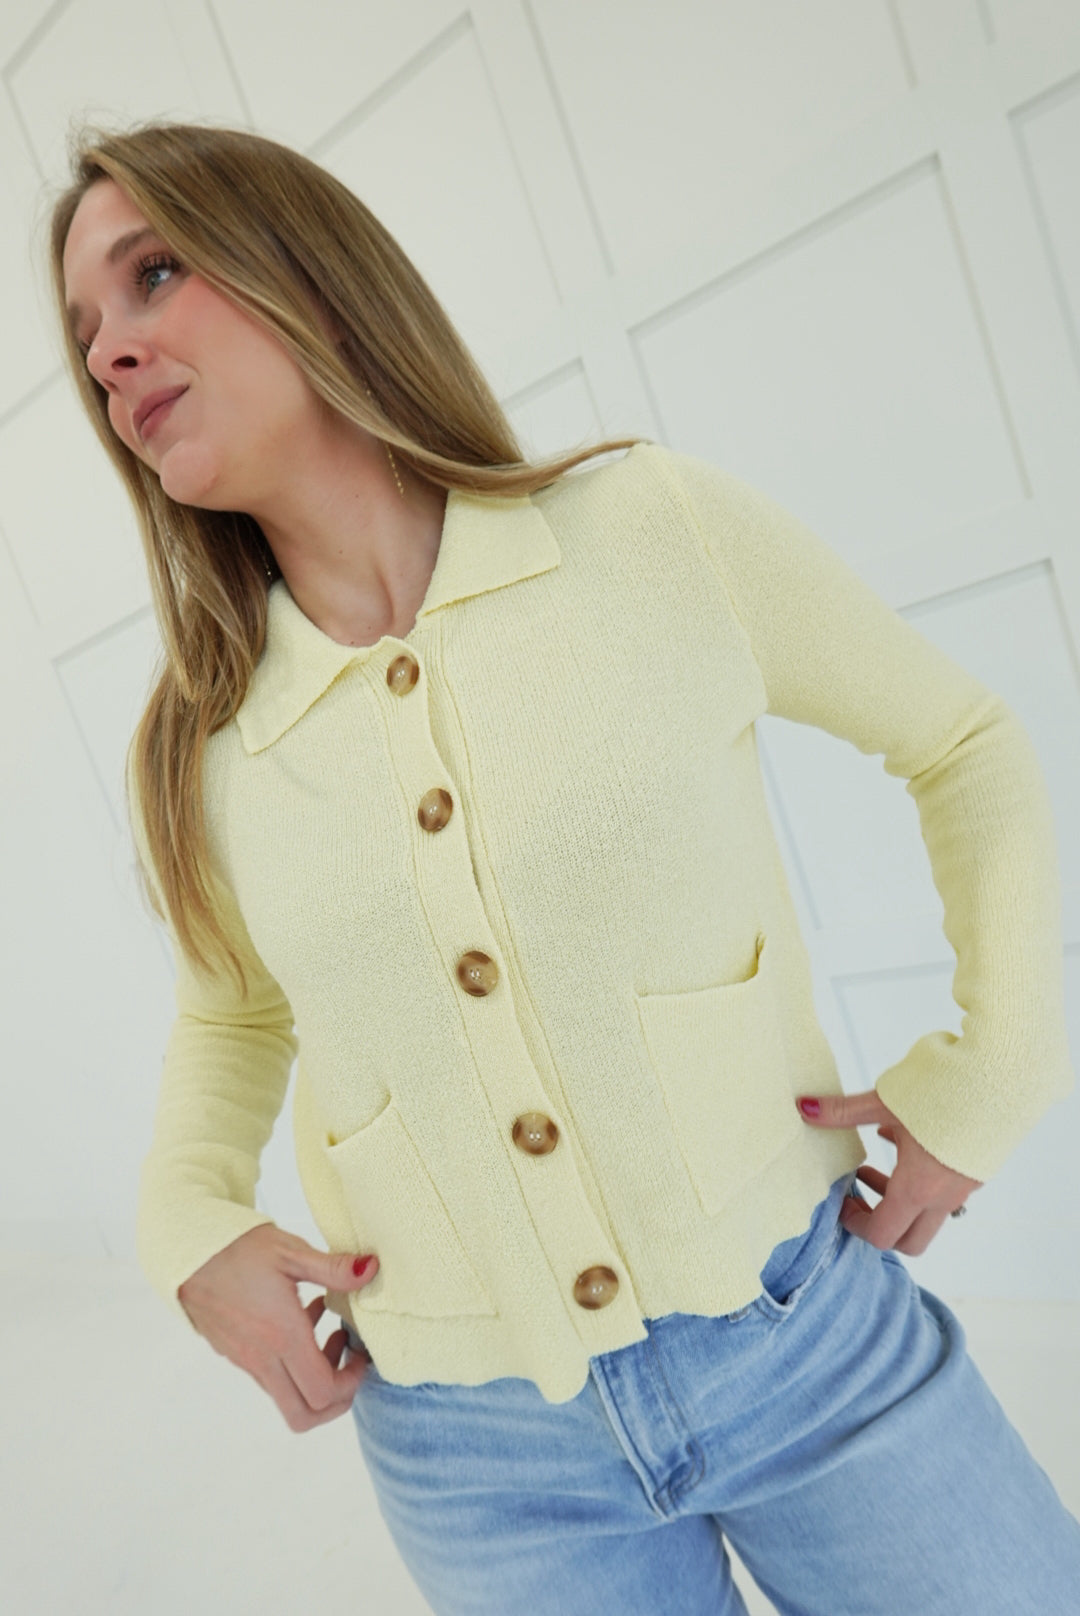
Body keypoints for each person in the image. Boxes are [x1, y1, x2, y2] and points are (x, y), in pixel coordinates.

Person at [52, 117, 1080, 1615]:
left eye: (152, 274)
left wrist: (996, 1073)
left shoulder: (648, 532)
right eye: (85, 336)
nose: (109, 354)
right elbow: (234, 1013)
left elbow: (964, 744)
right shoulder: (202, 741)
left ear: (312, 271)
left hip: (802, 1336)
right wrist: (185, 1223)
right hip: (477, 1458)